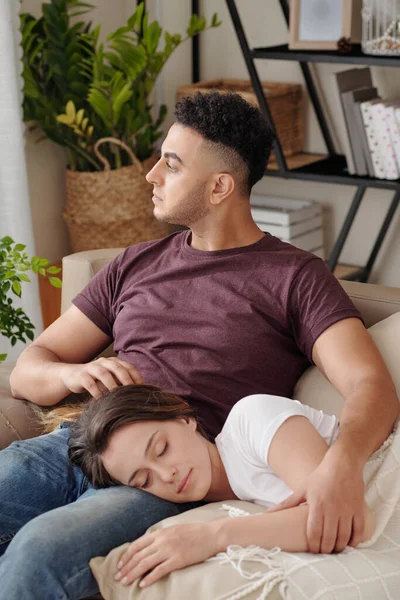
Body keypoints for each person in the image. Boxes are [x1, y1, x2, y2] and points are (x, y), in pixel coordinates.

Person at [1, 90, 398, 599]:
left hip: (168, 472)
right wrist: (70, 375)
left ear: (219, 187)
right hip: (78, 441)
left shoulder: (295, 276)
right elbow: (27, 369)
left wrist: (340, 467)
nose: (151, 175)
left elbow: (372, 385)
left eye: (170, 164)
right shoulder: (134, 263)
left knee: (39, 552)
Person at [66, 383, 375, 588]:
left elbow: (338, 514)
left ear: (183, 418)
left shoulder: (251, 419)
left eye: (162, 449)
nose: (167, 474)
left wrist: (212, 537)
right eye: (145, 480)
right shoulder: (218, 503)